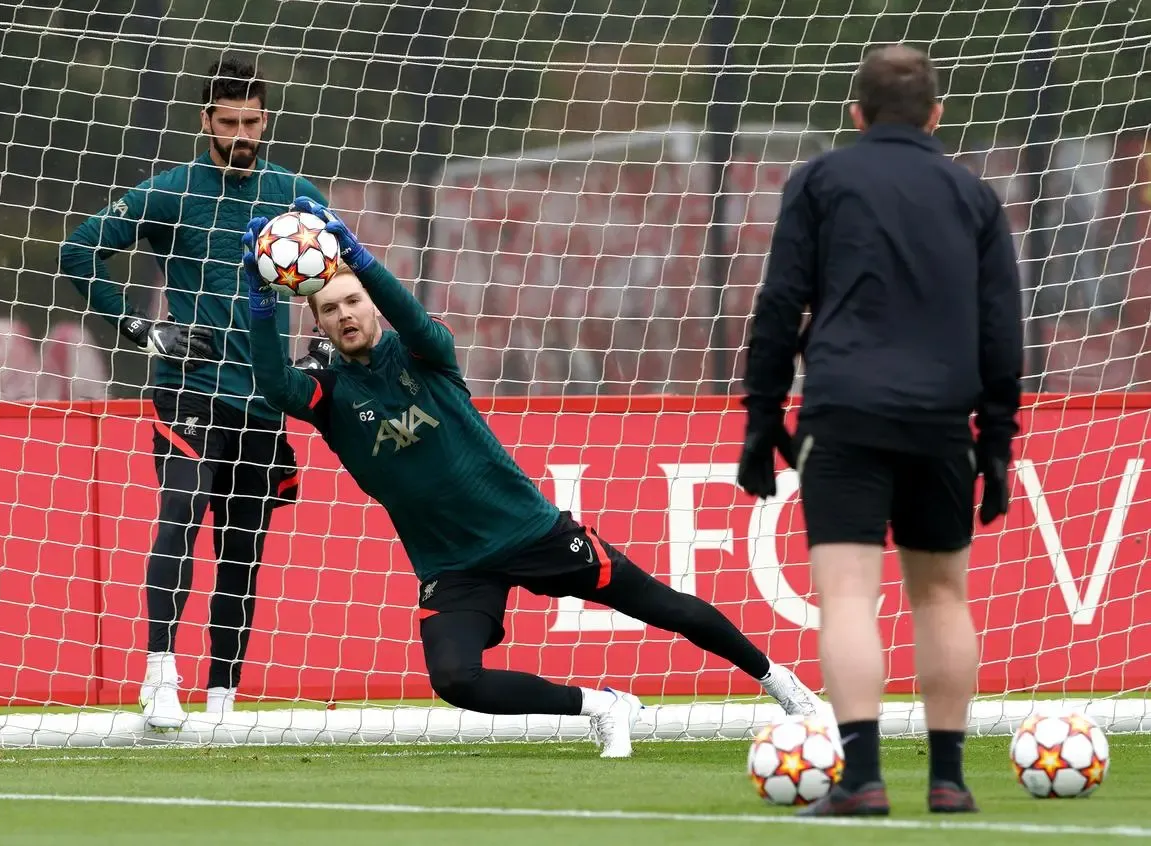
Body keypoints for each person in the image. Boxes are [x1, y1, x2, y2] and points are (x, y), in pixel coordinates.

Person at [243, 196, 821, 759]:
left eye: (353, 301)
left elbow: (415, 321)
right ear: (316, 319)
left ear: (372, 304)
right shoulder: (329, 394)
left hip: (529, 532)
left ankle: (782, 683)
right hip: (452, 564)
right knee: (454, 679)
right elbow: (274, 387)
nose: (345, 315)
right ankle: (601, 706)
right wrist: (261, 305)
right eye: (329, 309)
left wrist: (360, 257)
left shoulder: (425, 354)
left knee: (665, 607)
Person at [738, 44, 1023, 815]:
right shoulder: (974, 196)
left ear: (855, 115)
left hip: (846, 413)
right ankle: (948, 779)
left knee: (848, 597)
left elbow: (777, 304)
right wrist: (994, 443)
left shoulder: (822, 180)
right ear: (936, 115)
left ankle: (861, 780)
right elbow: (1002, 330)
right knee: (940, 597)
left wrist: (761, 417)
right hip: (940, 424)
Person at [59, 57, 334, 728]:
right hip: (187, 384)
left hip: (264, 395)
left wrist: (323, 346)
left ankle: (222, 700)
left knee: (242, 546)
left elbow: (334, 272)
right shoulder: (171, 192)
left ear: (265, 119)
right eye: (229, 121)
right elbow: (79, 248)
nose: (242, 133)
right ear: (205, 120)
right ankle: (159, 676)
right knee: (181, 510)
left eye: (252, 121)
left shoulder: (296, 193)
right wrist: (139, 327)